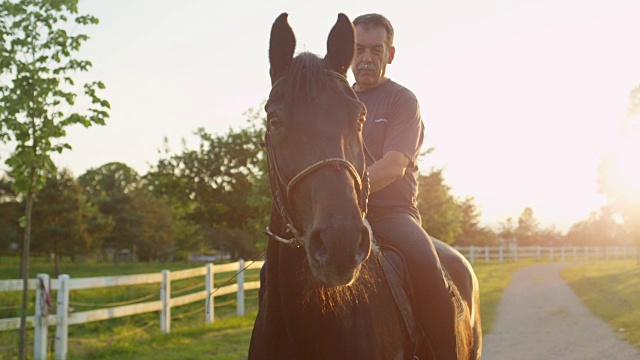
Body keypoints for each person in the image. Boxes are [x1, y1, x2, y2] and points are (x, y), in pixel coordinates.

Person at [351, 13, 458, 359]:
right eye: (358, 49)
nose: (366, 58)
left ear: (390, 54)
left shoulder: (402, 101)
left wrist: (348, 192)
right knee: (274, 271)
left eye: (376, 50)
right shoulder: (336, 99)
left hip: (391, 214)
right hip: (337, 213)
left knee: (427, 266)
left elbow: (395, 165)